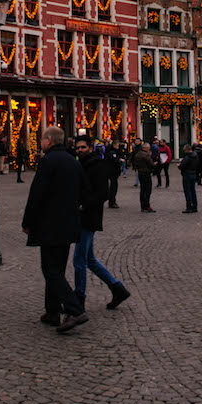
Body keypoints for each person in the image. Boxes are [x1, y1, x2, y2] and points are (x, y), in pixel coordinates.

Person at [21, 126, 88, 333]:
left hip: (50, 223)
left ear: (49, 141)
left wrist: (28, 222)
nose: (41, 143)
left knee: (50, 269)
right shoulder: (73, 161)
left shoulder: (48, 161)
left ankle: (75, 310)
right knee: (57, 267)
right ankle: (52, 311)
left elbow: (37, 194)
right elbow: (84, 190)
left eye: (42, 139)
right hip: (68, 222)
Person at [72, 136, 131, 311]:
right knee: (89, 259)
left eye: (82, 147)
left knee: (79, 260)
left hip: (88, 217)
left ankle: (79, 298)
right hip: (85, 216)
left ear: (90, 147)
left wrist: (83, 205)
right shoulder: (82, 164)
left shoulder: (97, 165)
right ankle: (117, 288)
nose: (79, 150)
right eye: (77, 148)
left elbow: (102, 193)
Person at [179, 144, 202, 212]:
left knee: (187, 191)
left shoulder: (187, 157)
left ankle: (189, 207)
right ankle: (194, 206)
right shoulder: (195, 156)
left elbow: (182, 165)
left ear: (186, 150)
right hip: (193, 174)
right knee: (193, 191)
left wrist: (179, 166)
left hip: (187, 175)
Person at [133, 142, 155, 212]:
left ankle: (143, 206)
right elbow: (151, 164)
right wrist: (154, 165)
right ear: (146, 148)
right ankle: (147, 205)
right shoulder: (146, 155)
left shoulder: (138, 154)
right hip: (146, 173)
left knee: (142, 190)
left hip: (140, 172)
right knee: (147, 190)